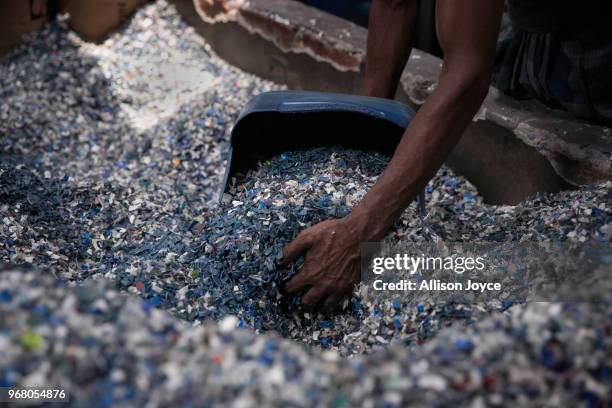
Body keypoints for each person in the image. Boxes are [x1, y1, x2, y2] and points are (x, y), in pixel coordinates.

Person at [281, 0, 611, 309]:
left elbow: (466, 76)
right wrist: (368, 138)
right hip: (534, 34)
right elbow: (396, 3)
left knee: (576, 276)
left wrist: (361, 230)